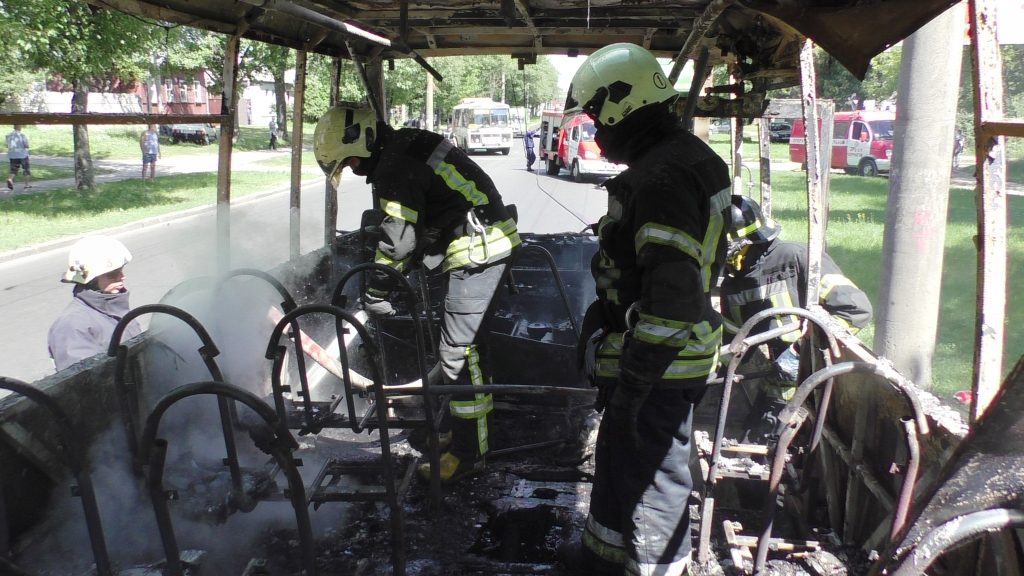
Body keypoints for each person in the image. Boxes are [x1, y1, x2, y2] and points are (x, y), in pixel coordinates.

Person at [566, 43, 732, 575]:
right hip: (659, 361)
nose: (595, 131)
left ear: (620, 106)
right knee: (621, 474)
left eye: (596, 118)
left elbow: (671, 301)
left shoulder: (662, 180)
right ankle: (603, 562)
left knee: (653, 486)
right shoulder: (683, 159)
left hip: (659, 367)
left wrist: (634, 385)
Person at [313, 104, 521, 484]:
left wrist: (376, 289)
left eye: (352, 163)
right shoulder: (402, 145)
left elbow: (399, 240)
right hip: (484, 242)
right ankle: (466, 433)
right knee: (469, 352)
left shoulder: (394, 166)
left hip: (479, 251)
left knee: (458, 354)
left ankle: (468, 455)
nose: (355, 171)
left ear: (366, 141)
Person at [721, 195, 873, 443]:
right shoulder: (734, 285)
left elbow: (855, 309)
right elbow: (736, 345)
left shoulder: (798, 258)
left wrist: (800, 352)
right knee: (751, 442)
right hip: (778, 393)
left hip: (819, 391)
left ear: (738, 244)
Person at [48, 235, 142, 372]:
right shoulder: (71, 327)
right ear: (91, 280)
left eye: (121, 270)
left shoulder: (115, 310)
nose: (122, 277)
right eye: (112, 274)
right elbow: (87, 383)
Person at [6, 124, 31, 191]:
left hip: (12, 155)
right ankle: (26, 185)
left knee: (13, 170)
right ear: (19, 127)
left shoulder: (8, 135)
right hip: (22, 154)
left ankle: (10, 179)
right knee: (26, 169)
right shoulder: (22, 135)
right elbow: (26, 145)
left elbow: (7, 145)